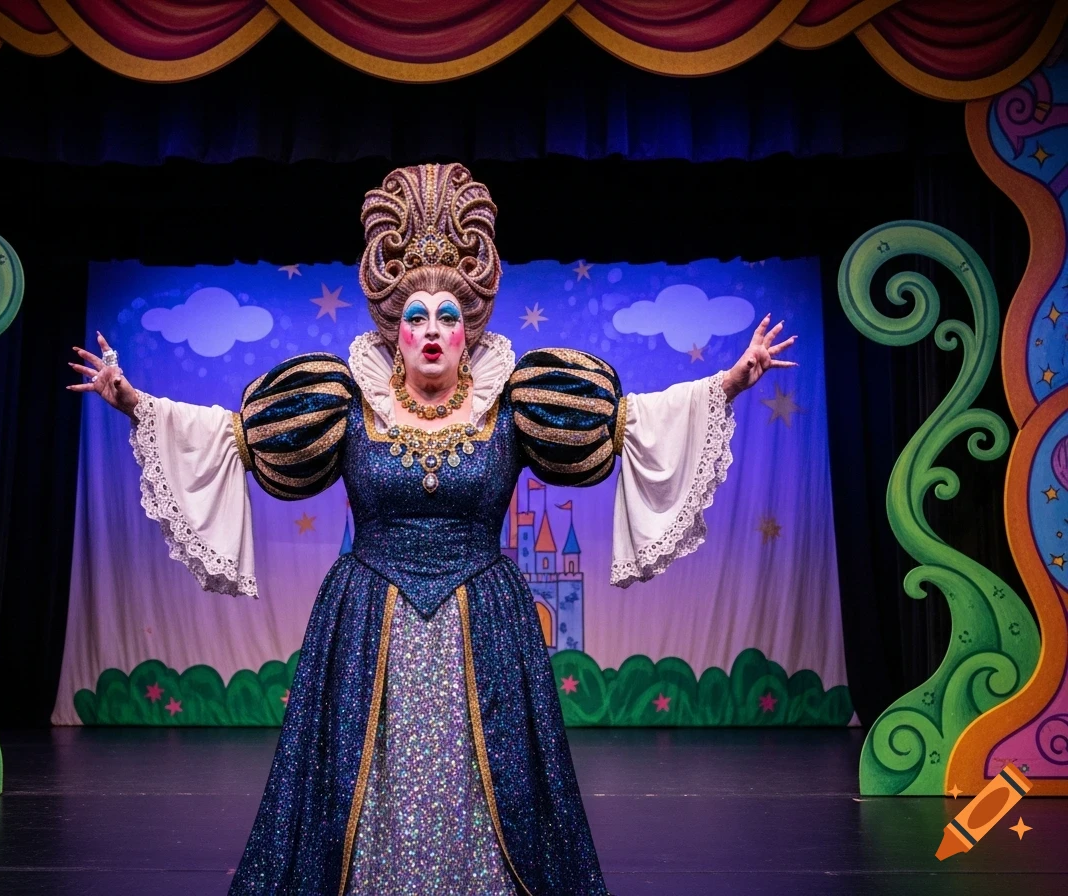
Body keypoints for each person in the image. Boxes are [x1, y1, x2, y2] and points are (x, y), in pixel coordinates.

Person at [69, 163, 795, 895]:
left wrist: (731, 380)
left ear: (467, 331)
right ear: (396, 332)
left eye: (448, 317)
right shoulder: (341, 406)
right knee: (357, 778)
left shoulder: (517, 406)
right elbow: (231, 438)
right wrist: (132, 400)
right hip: (364, 622)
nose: (432, 331)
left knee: (491, 777)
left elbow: (632, 421)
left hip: (485, 622)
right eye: (416, 317)